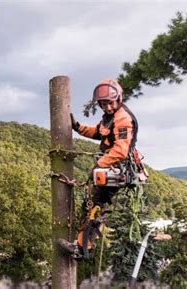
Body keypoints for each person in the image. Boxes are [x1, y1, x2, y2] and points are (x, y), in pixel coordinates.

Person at [58, 79, 140, 259]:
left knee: (94, 206)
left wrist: (100, 164)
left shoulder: (123, 119)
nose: (108, 107)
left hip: (116, 168)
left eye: (110, 103)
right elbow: (97, 132)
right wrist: (78, 128)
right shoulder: (109, 118)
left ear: (118, 99)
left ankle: (82, 248)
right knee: (92, 204)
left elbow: (121, 150)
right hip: (110, 166)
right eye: (104, 104)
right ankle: (82, 245)